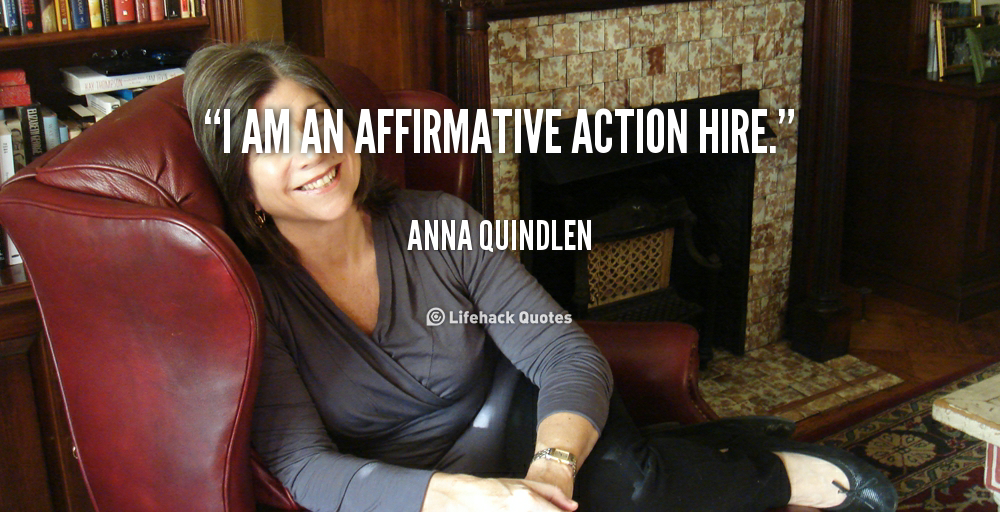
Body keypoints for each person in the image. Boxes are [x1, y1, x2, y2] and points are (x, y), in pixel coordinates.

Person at [183, 41, 897, 512]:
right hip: (423, 490)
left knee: (624, 488)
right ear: (241, 183)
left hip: (530, 417)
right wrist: (475, 498)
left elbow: (561, 352)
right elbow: (303, 467)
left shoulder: (439, 220)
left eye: (317, 121)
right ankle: (702, 447)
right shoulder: (253, 301)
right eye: (272, 143)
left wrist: (552, 467)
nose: (310, 151)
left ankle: (778, 473)